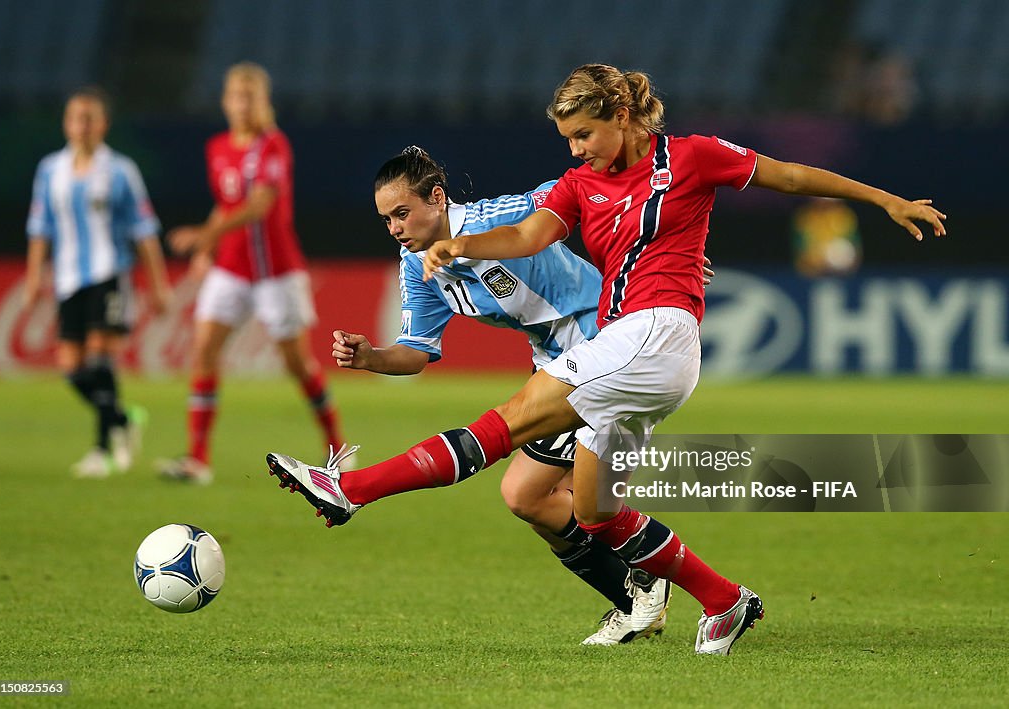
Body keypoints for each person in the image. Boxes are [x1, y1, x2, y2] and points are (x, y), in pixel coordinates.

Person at [266, 64, 946, 653]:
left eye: (584, 134)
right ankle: (726, 600)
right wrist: (459, 255)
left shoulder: (692, 156)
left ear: (621, 115)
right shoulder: (577, 186)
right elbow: (531, 233)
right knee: (590, 509)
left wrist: (884, 199)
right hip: (627, 352)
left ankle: (351, 490)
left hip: (648, 336)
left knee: (509, 421)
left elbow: (789, 174)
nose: (578, 150)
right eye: (567, 140)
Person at [324, 146, 709, 645]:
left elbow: (592, 194)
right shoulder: (416, 263)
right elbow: (416, 351)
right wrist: (372, 357)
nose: (395, 227)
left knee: (530, 492)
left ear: (437, 198)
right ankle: (647, 588)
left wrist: (665, 249)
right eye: (386, 219)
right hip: (554, 362)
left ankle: (658, 587)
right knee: (540, 500)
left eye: (403, 213)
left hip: (602, 345)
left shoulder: (499, 216)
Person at [159, 62, 346, 484]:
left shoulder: (272, 147)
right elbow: (228, 207)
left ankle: (336, 445)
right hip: (231, 269)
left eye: (251, 97)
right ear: (225, 101)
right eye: (236, 96)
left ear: (263, 102)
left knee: (298, 364)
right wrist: (209, 246)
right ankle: (197, 459)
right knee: (204, 350)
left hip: (277, 272)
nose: (242, 105)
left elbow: (259, 205)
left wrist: (204, 234)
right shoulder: (217, 147)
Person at [24, 87, 171, 478]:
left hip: (109, 274)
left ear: (103, 124)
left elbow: (144, 231)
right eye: (75, 118)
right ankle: (123, 417)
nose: (82, 126)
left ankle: (101, 449)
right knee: (71, 369)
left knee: (101, 358)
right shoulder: (49, 169)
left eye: (89, 118)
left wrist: (158, 285)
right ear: (66, 123)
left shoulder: (120, 171)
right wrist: (34, 273)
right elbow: (40, 227)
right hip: (68, 279)